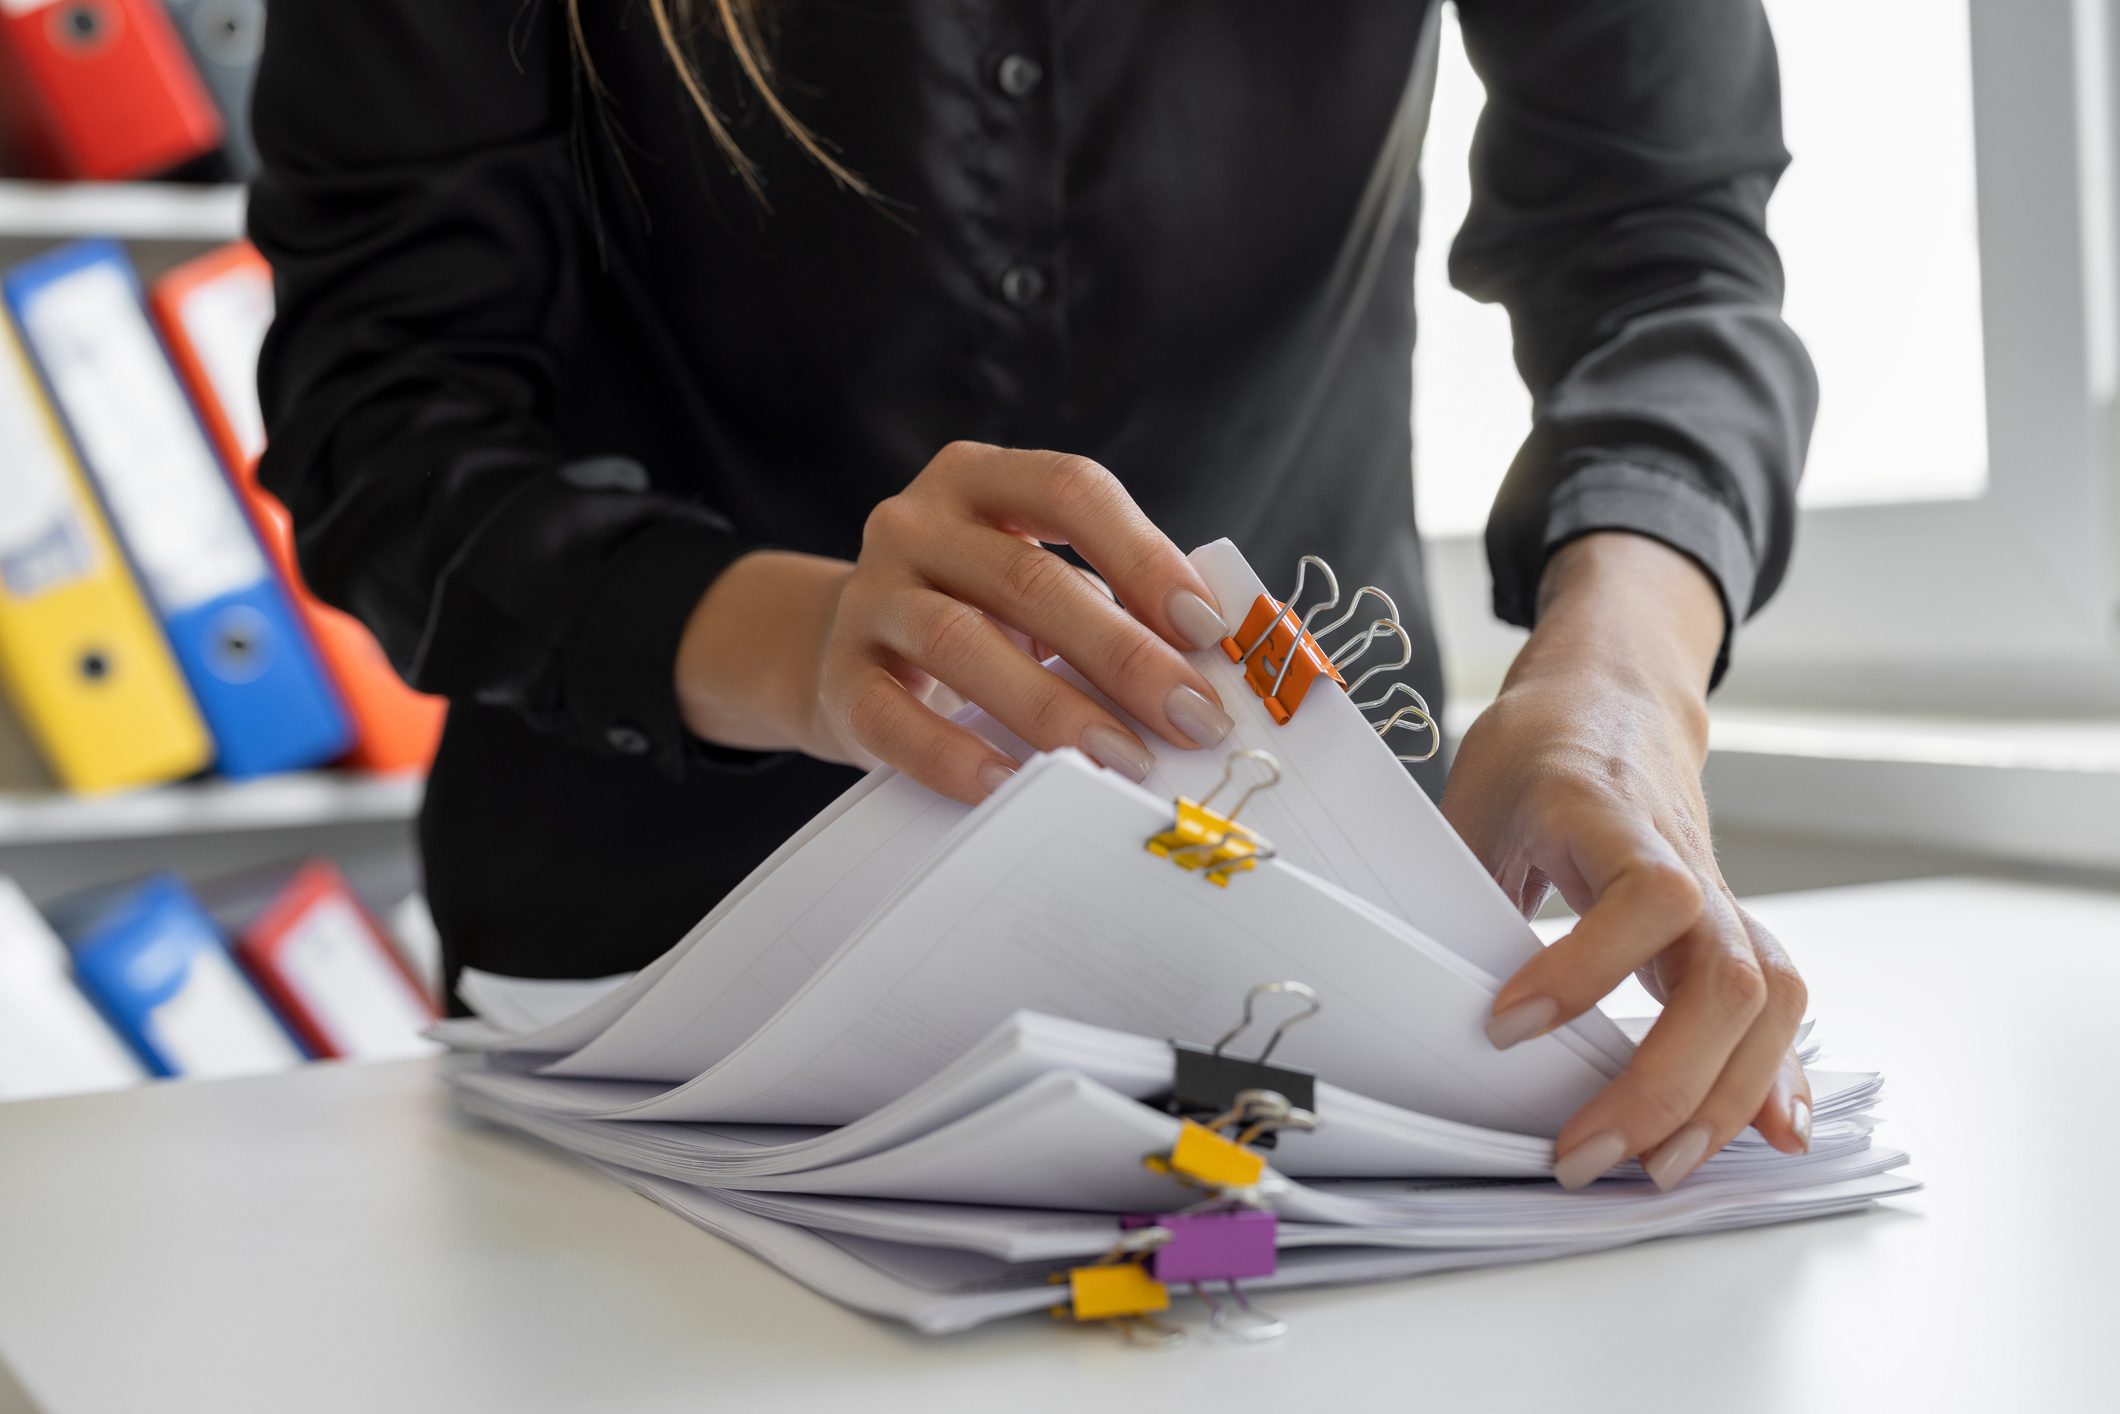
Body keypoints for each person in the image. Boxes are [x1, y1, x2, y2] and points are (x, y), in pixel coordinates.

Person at [249, 0, 1817, 1193]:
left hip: (1310, 966)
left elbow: (1665, 248)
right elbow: (383, 411)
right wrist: (806, 646)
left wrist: (1619, 684)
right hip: (668, 997)